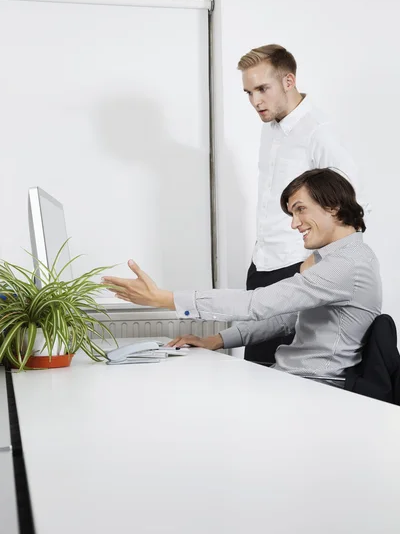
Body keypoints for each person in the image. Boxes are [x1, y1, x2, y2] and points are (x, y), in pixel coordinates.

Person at [102, 169, 381, 388]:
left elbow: (257, 303)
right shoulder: (333, 259)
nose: (294, 223)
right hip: (293, 379)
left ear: (332, 206)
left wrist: (167, 299)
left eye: (299, 209)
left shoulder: (348, 263)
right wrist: (218, 340)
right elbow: (286, 319)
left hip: (313, 387)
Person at [236, 44, 370, 365]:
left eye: (262, 89)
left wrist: (318, 258)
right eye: (248, 92)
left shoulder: (318, 132)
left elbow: (351, 203)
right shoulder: (269, 130)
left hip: (297, 269)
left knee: (288, 379)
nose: (255, 101)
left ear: (288, 81)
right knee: (254, 371)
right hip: (262, 268)